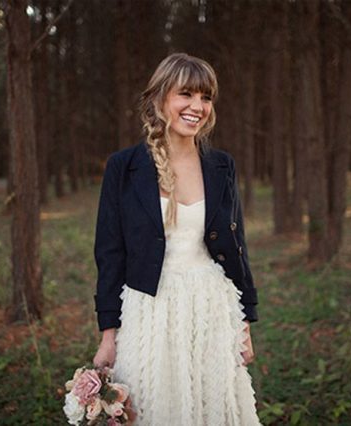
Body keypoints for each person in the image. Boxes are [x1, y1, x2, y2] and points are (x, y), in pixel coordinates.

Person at [92, 52, 260, 425]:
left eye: (205, 97)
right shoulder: (124, 167)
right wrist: (108, 334)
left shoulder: (221, 166)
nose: (197, 106)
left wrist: (245, 322)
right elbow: (110, 253)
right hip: (149, 309)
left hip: (211, 309)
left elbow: (237, 248)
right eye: (186, 94)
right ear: (159, 98)